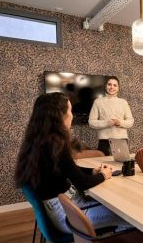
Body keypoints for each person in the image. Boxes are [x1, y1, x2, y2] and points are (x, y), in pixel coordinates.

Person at [15, 93, 130, 234]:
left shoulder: (40, 141)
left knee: (118, 207)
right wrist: (103, 175)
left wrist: (92, 171)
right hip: (68, 214)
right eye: (69, 110)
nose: (72, 115)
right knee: (129, 216)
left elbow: (68, 168)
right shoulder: (56, 144)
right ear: (59, 115)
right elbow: (83, 184)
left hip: (63, 207)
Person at [88, 76, 134, 156]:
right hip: (104, 140)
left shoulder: (123, 102)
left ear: (118, 88)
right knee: (103, 165)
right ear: (105, 86)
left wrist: (119, 122)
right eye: (109, 84)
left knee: (120, 165)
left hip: (121, 139)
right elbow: (91, 122)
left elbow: (130, 121)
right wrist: (107, 123)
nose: (112, 87)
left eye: (115, 85)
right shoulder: (98, 102)